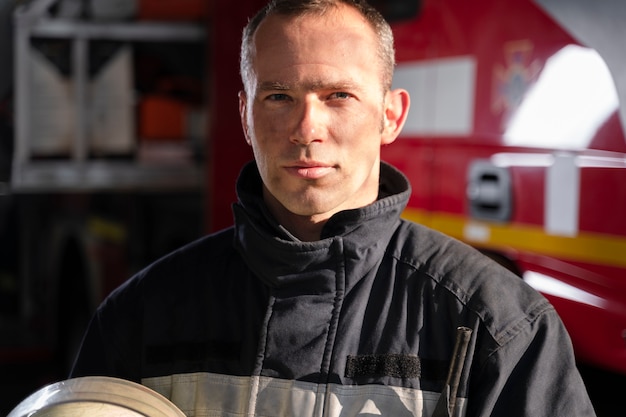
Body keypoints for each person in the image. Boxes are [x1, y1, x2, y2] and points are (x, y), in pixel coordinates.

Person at [71, 0, 596, 416]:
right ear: (245, 116)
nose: (306, 129)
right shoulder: (138, 317)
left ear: (391, 116)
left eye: (339, 96)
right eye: (278, 97)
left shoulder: (498, 327)